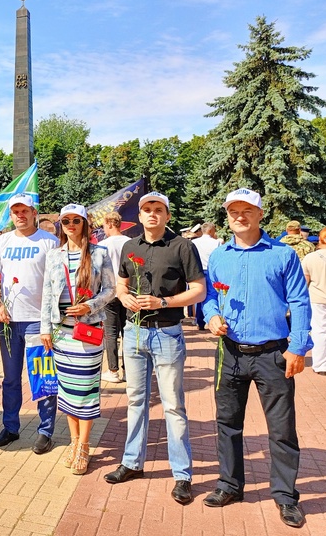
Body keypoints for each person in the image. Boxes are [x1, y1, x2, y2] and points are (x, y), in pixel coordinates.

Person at [202, 188, 312, 529]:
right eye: (233, 210)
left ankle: (284, 496)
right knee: (228, 423)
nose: (239, 215)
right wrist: (210, 316)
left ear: (260, 214)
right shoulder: (220, 256)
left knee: (281, 429)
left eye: (247, 209)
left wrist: (298, 347)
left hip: (273, 354)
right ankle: (229, 485)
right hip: (231, 353)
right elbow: (208, 296)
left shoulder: (282, 255)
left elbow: (300, 302)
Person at [105, 191, 205, 506]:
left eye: (158, 209)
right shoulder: (129, 246)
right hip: (134, 333)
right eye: (147, 209)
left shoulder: (182, 246)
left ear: (167, 215)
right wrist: (124, 298)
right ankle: (132, 462)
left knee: (173, 405)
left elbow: (199, 291)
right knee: (136, 401)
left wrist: (164, 301)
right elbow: (121, 284)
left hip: (167, 333)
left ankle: (182, 475)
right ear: (141, 213)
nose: (152, 214)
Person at [40, 204, 115, 475]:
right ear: (61, 224)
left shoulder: (99, 253)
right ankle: (73, 442)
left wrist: (90, 306)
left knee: (85, 391)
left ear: (85, 223)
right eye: (66, 220)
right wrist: (45, 328)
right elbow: (47, 293)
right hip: (62, 334)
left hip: (88, 333)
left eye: (76, 220)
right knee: (67, 391)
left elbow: (111, 291)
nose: (71, 225)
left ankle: (84, 445)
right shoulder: (53, 255)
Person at [0, 194, 58, 453]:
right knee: (11, 379)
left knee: (43, 377)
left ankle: (45, 430)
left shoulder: (49, 242)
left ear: (34, 211)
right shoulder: (2, 242)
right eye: (15, 211)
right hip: (9, 322)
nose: (20, 215)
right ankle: (11, 427)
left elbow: (57, 281)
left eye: (25, 210)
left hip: (39, 322)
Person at [100, 211, 130, 383]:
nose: (104, 229)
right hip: (127, 290)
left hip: (110, 291)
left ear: (110, 224)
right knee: (128, 331)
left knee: (111, 332)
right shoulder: (130, 243)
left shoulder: (104, 245)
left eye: (104, 225)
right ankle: (128, 370)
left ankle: (113, 370)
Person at [302, 226, 326, 376]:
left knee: (320, 332)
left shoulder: (311, 258)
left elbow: (305, 282)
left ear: (320, 239)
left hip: (318, 300)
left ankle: (321, 366)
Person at [192, 222, 221, 330]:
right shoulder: (216, 243)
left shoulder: (194, 242)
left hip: (197, 271)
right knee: (210, 294)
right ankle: (210, 319)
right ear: (210, 230)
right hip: (210, 271)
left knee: (198, 295)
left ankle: (198, 321)